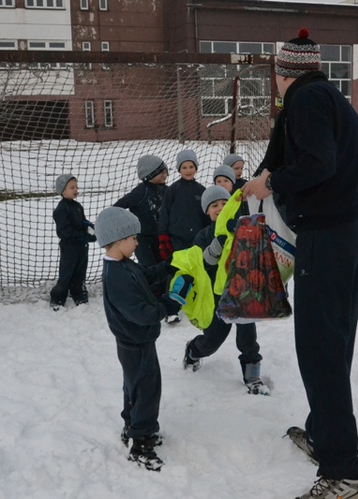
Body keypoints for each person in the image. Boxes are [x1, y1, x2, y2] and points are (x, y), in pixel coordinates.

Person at [241, 28, 358, 499]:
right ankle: (324, 434)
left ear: (283, 73)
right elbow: (314, 158)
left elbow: (318, 163)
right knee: (331, 347)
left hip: (328, 237)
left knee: (320, 352)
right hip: (346, 231)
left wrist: (269, 183)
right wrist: (263, 176)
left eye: (275, 72)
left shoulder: (307, 101)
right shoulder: (325, 96)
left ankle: (345, 473)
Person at [96, 206, 191, 472]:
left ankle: (132, 424)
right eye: (133, 238)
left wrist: (168, 266)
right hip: (135, 341)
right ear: (118, 240)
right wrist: (169, 304)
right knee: (147, 390)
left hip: (135, 341)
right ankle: (141, 441)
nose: (137, 242)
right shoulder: (117, 276)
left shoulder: (124, 265)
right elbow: (141, 313)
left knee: (134, 386)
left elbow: (146, 276)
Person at [183, 185, 268, 395]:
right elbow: (204, 264)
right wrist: (218, 244)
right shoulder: (204, 236)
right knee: (213, 340)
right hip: (217, 297)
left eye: (224, 204)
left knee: (247, 339)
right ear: (207, 211)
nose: (220, 208)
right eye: (214, 205)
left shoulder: (240, 227)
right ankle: (194, 350)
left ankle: (253, 376)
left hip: (242, 293)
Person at [50, 174, 97, 310]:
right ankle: (58, 297)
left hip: (81, 246)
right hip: (69, 247)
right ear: (62, 191)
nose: (75, 189)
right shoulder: (61, 209)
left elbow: (82, 222)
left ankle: (79, 294)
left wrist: (90, 228)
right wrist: (83, 236)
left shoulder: (77, 206)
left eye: (76, 186)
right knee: (67, 272)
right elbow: (64, 232)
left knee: (80, 271)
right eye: (71, 187)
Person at [114, 154, 168, 267]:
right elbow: (117, 207)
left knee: (163, 266)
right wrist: (126, 226)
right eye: (161, 172)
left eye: (165, 171)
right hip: (142, 239)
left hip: (160, 237)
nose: (165, 175)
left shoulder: (165, 190)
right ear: (150, 174)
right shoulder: (140, 192)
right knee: (149, 266)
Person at [158, 149, 207, 259]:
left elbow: (207, 215)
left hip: (197, 239)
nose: (188, 170)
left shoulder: (202, 190)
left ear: (196, 168)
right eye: (184, 167)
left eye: (191, 167)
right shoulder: (172, 190)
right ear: (179, 169)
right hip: (177, 240)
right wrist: (163, 236)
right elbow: (164, 213)